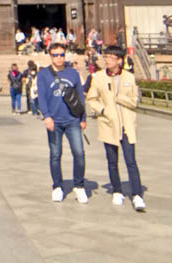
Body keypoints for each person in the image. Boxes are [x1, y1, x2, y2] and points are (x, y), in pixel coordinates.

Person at [86, 46, 146, 211]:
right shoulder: (98, 77)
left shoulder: (129, 77)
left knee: (131, 161)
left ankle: (137, 194)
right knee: (112, 161)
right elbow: (91, 99)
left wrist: (120, 98)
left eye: (111, 57)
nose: (108, 60)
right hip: (109, 124)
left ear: (120, 60)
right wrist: (103, 110)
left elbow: (134, 101)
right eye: (106, 57)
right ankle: (117, 190)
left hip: (126, 124)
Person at [37, 42, 88, 204]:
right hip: (54, 120)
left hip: (72, 119)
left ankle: (79, 185)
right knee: (55, 154)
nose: (59, 58)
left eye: (61, 54)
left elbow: (80, 96)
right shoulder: (44, 74)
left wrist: (83, 118)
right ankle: (57, 186)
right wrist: (46, 116)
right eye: (55, 55)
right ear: (50, 56)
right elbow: (42, 97)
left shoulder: (72, 73)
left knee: (79, 153)